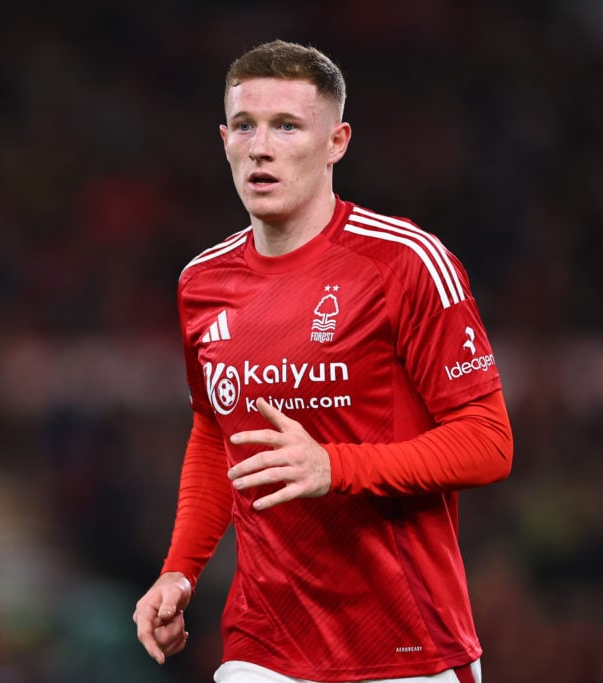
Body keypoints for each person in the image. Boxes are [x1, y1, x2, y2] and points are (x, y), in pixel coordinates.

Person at [133, 40, 513, 683]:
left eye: (287, 126)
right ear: (224, 138)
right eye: (246, 126)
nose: (261, 146)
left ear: (336, 141)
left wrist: (334, 466)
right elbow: (215, 433)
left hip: (404, 648)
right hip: (264, 647)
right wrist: (180, 569)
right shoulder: (200, 282)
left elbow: (489, 442)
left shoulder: (405, 262)